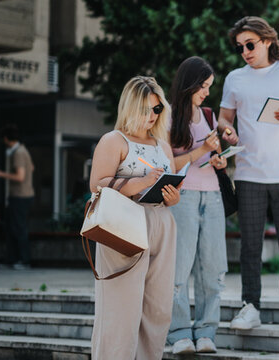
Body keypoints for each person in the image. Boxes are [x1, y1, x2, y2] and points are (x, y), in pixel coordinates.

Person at [218, 16, 279, 330]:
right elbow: (224, 120)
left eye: (250, 44)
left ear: (268, 41)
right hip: (248, 174)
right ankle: (250, 306)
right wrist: (227, 132)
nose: (244, 51)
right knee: (250, 246)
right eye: (240, 47)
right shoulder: (235, 78)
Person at [88, 76, 182, 359]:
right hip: (123, 224)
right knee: (121, 306)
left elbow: (174, 184)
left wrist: (173, 197)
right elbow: (96, 185)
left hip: (162, 222)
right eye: (146, 109)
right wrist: (138, 184)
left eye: (156, 109)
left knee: (158, 307)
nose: (152, 116)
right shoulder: (114, 140)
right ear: (130, 107)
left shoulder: (162, 144)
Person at [165, 56, 228, 354]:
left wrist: (218, 159)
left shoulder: (208, 115)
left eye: (208, 87)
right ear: (188, 83)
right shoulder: (166, 116)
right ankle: (178, 332)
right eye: (202, 86)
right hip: (182, 198)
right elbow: (167, 164)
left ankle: (206, 332)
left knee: (213, 269)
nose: (206, 92)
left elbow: (210, 159)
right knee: (179, 269)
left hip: (213, 196)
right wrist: (202, 149)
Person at [0, 124, 35, 270]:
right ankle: (12, 259)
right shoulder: (22, 150)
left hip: (20, 196)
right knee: (12, 228)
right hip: (22, 195)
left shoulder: (18, 153)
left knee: (18, 228)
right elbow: (32, 167)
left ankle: (23, 260)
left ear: (6, 138)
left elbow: (20, 176)